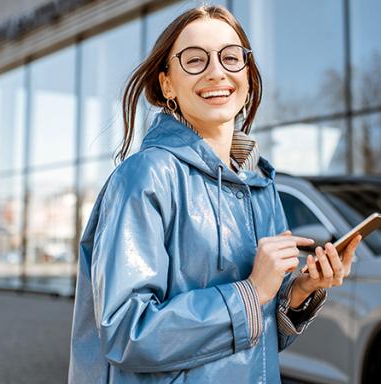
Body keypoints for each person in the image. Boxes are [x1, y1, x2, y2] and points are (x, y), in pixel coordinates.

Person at [68, 5, 362, 383]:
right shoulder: (146, 176)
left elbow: (255, 339)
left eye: (231, 57)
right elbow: (127, 332)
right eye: (194, 60)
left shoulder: (261, 185)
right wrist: (252, 292)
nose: (217, 71)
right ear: (167, 84)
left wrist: (301, 289)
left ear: (249, 78)